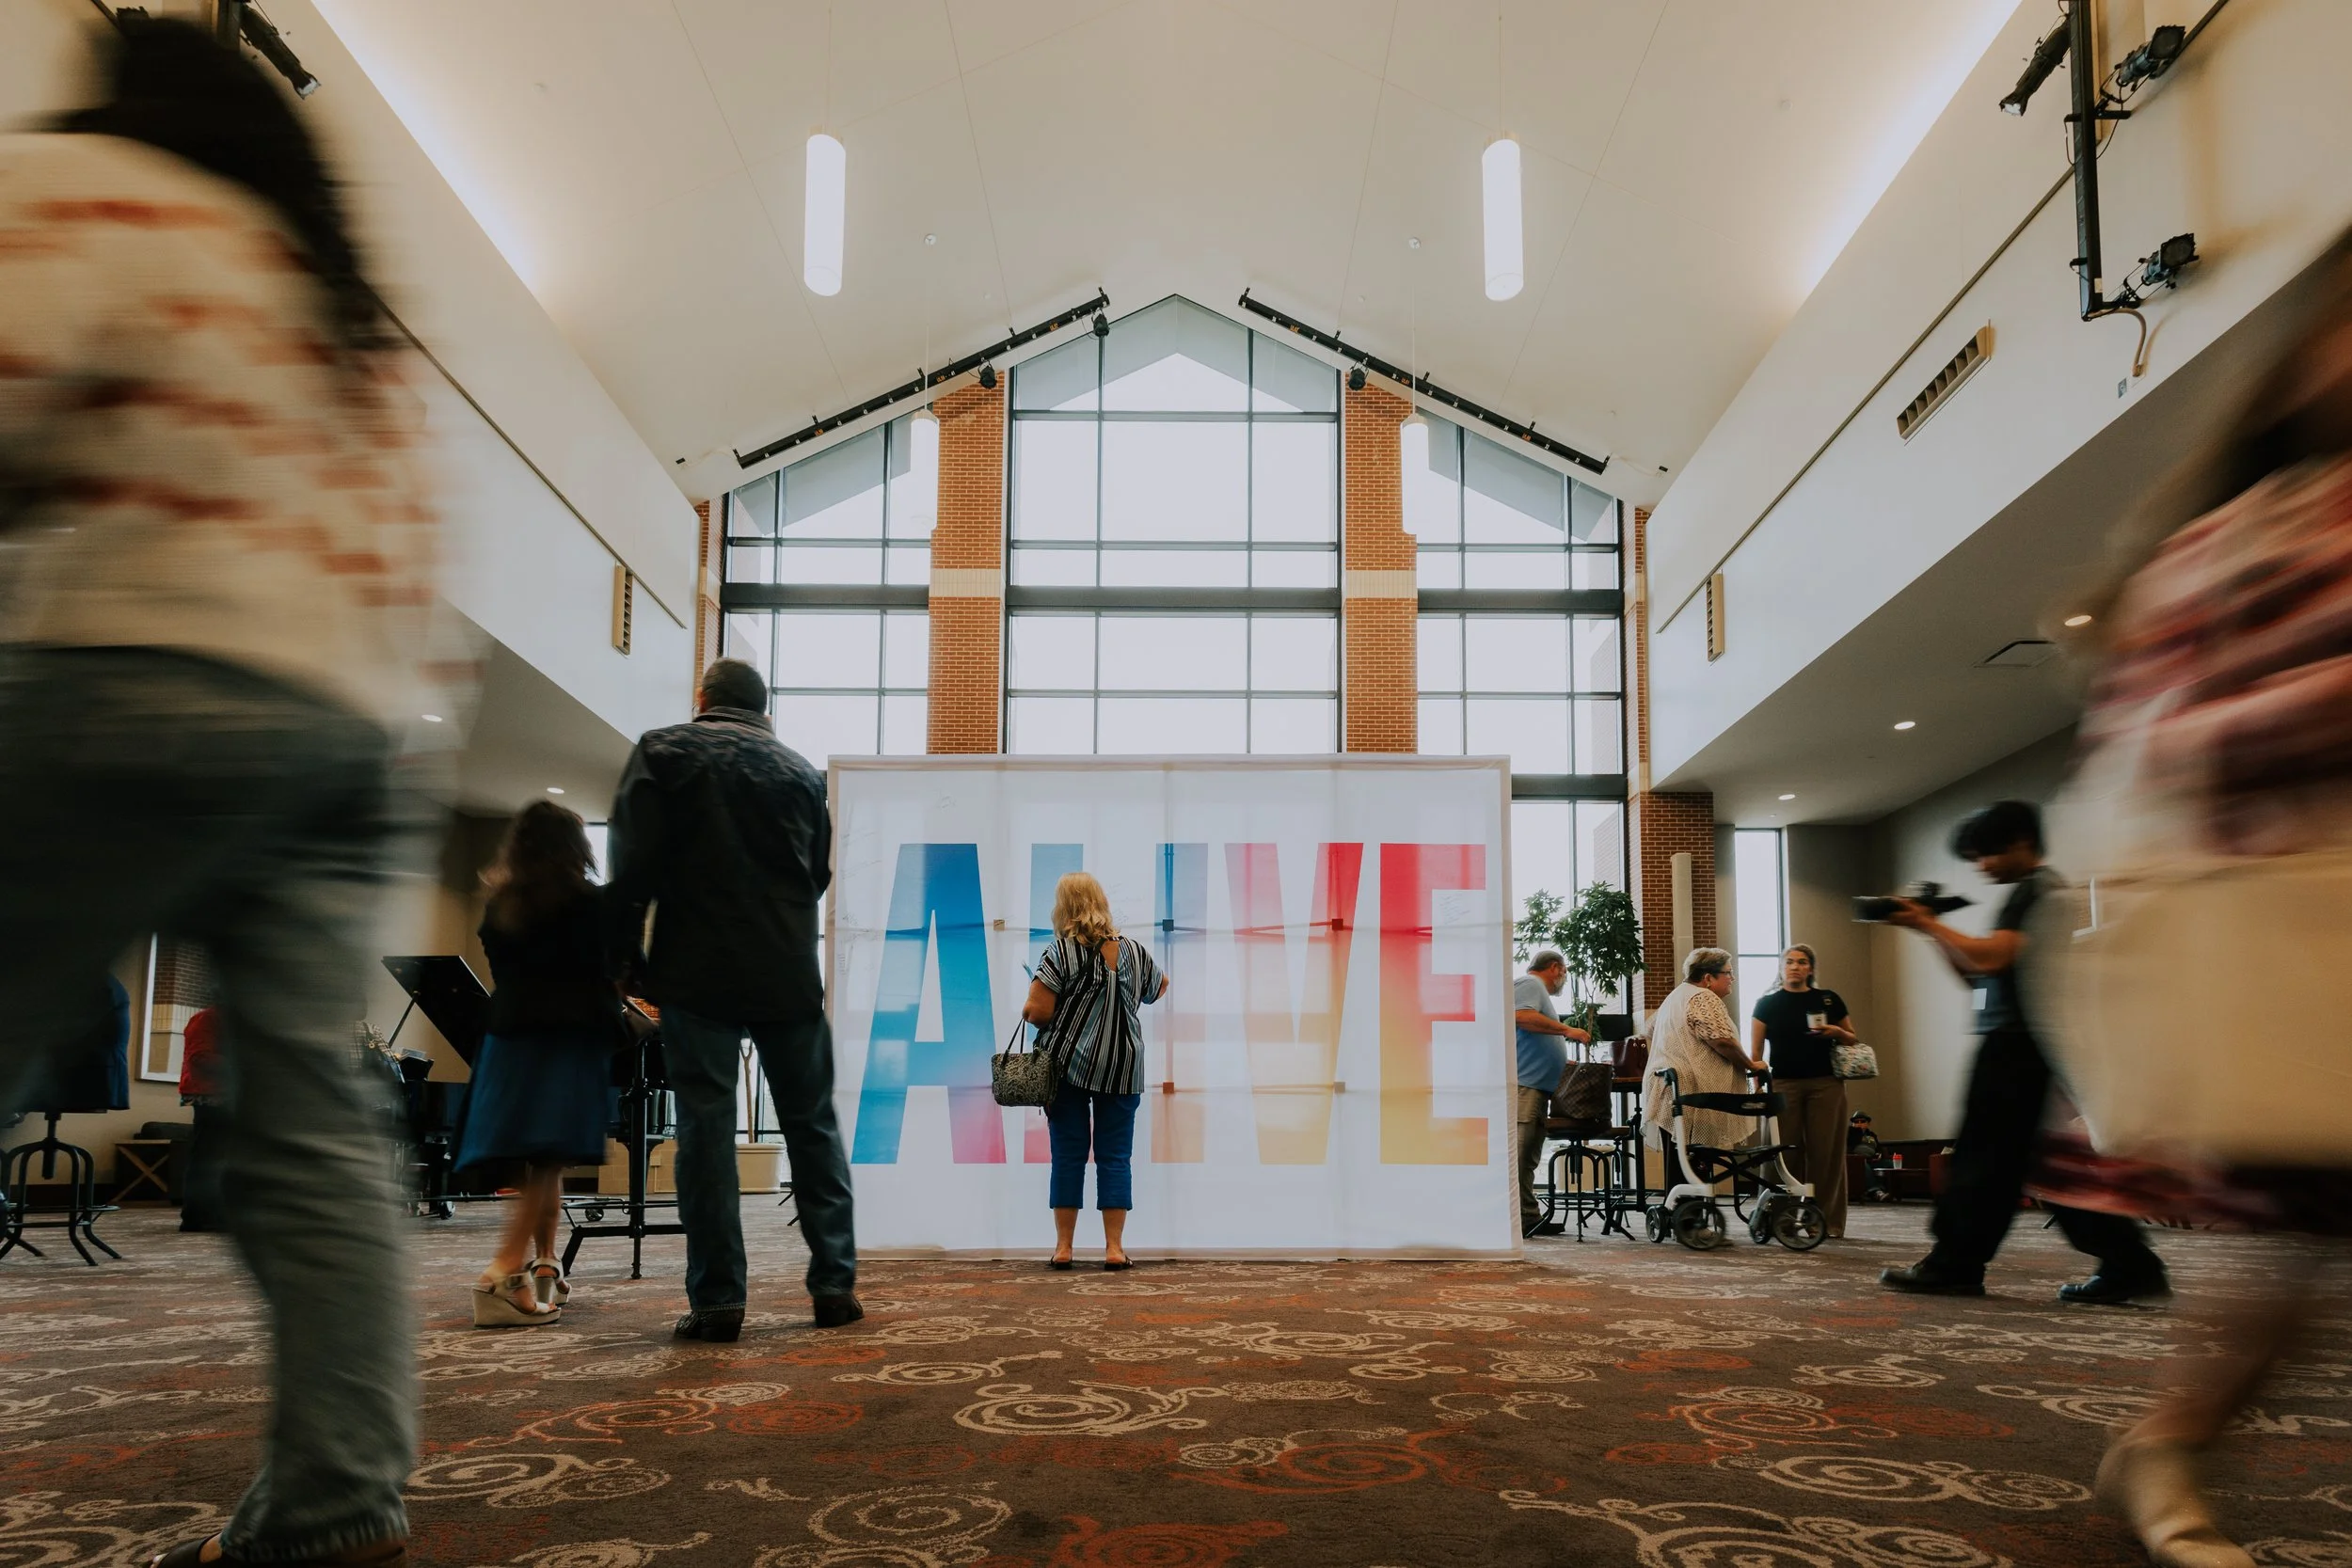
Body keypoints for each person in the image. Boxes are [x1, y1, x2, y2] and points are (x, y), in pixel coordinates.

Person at [0, 17, 438, 1567]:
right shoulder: (343, 322)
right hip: (346, 729)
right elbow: (412, 569)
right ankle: (336, 1506)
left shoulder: (102, 187)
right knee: (321, 1132)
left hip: (144, 664)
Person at [2051, 226, 2352, 1568]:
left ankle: (2167, 1442)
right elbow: (2158, 737)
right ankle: (2171, 1439)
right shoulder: (2223, 545)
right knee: (2300, 1250)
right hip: (2292, 920)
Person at [606, 656, 858, 1340]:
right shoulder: (803, 774)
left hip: (696, 969)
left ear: (702, 698)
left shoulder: (663, 751)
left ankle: (719, 1299)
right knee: (812, 1123)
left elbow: (632, 866)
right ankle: (834, 1283)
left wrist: (628, 960)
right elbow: (818, 873)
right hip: (786, 968)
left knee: (707, 1127)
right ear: (764, 708)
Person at [1879, 800, 2168, 1305]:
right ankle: (2130, 1265)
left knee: (1983, 1160)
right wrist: (1927, 931)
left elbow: (1995, 954)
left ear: (2019, 843)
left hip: (2020, 1045)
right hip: (2022, 1041)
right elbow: (1978, 973)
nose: (1981, 866)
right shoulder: (2031, 894)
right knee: (2046, 1164)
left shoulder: (2039, 890)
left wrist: (1928, 924)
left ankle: (1956, 1263)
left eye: (1986, 854)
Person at [456, 801, 621, 1328]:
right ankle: (504, 1271)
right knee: (549, 1155)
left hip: (508, 1039)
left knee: (540, 1159)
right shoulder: (591, 904)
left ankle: (544, 1266)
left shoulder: (500, 906)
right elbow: (608, 976)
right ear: (578, 847)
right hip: (567, 1038)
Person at [1022, 872, 1168, 1271]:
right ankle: (1114, 1250)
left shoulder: (1061, 952)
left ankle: (1065, 1248)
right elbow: (1160, 987)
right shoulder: (1134, 951)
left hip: (1069, 1069)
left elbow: (1038, 1011)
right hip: (1123, 1068)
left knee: (1068, 1156)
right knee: (1115, 1157)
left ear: (1063, 907)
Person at [1749, 944, 1858, 1238]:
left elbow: (1852, 1039)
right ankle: (1778, 1221)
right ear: (1781, 967)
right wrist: (1758, 1087)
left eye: (1802, 962)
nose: (1795, 966)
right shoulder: (1766, 1004)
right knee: (1782, 1155)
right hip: (1783, 1085)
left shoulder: (1829, 1000)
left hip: (1827, 1084)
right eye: (1790, 962)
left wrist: (1836, 1033)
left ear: (1810, 968)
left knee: (1826, 1155)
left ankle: (1826, 1223)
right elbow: (1757, 1053)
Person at [1641, 948, 1768, 1164]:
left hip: (1670, 1091)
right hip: (1690, 1093)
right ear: (1708, 978)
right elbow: (1721, 1040)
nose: (1732, 978)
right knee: (1694, 1163)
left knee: (1681, 1164)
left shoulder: (1677, 995)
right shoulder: (1703, 997)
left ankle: (1685, 1198)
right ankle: (1694, 1197)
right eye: (1728, 972)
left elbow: (1649, 1029)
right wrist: (1751, 1065)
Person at [1512, 951, 1592, 1238]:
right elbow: (1521, 1017)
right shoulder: (1531, 984)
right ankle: (1519, 1220)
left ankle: (1528, 1217)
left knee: (1529, 1156)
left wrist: (1561, 1061)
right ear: (1555, 968)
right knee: (1520, 1156)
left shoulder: (1534, 990)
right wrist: (1567, 1030)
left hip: (1536, 1087)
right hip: (1526, 1086)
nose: (1564, 978)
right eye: (1565, 971)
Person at [178, 1004, 227, 1233]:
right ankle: (197, 1217)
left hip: (227, 1095)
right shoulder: (207, 1019)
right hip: (210, 1095)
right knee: (208, 1157)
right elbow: (200, 1057)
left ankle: (215, 1214)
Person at [1847, 1112, 1890, 1203]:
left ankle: (1890, 1190)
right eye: (1856, 1121)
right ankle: (1876, 1192)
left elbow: (1878, 1148)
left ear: (1868, 1123)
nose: (1859, 1123)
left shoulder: (1872, 1135)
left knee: (1889, 1164)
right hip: (1857, 1160)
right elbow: (1848, 1146)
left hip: (1872, 1159)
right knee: (1863, 1165)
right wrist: (1858, 1131)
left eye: (1862, 1121)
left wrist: (1879, 1153)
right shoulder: (1851, 1133)